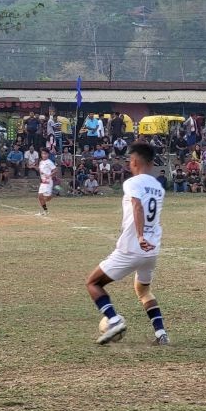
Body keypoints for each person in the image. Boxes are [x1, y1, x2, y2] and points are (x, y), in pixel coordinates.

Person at [85, 142, 169, 346]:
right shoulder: (158, 186)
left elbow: (137, 206)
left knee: (93, 283)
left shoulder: (132, 183)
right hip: (152, 250)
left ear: (134, 161)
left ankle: (113, 321)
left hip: (132, 248)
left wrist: (139, 236)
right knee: (143, 290)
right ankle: (161, 334)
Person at [37, 148, 56, 216]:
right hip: (43, 182)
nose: (44, 155)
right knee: (40, 196)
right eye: (42, 154)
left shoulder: (49, 162)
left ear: (48, 154)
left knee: (46, 198)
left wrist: (49, 175)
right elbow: (40, 171)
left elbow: (55, 170)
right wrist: (41, 178)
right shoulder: (41, 162)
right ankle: (45, 211)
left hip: (48, 182)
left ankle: (51, 195)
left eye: (45, 154)